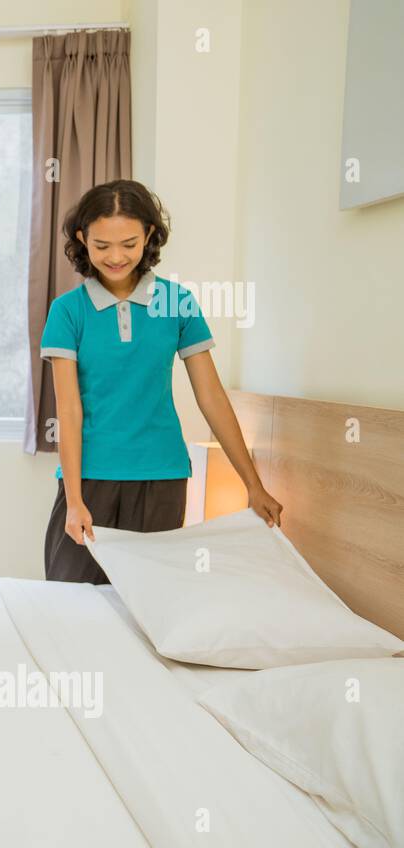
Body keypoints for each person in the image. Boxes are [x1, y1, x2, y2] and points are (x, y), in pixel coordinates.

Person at [39, 180, 283, 584]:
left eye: (129, 244)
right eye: (102, 246)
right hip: (90, 478)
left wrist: (253, 485)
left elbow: (211, 397)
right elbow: (69, 409)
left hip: (162, 478)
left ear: (149, 234)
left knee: (150, 599)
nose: (116, 257)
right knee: (69, 594)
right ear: (82, 239)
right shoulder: (68, 311)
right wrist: (75, 499)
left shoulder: (177, 303)